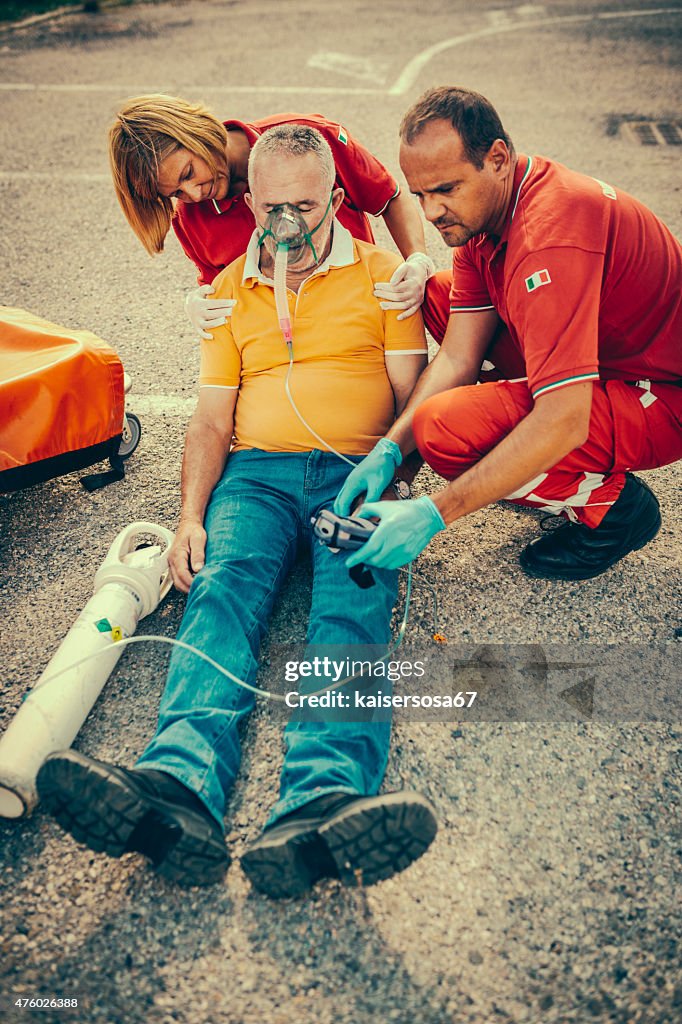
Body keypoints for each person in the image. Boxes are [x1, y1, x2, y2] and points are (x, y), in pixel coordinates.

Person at [37, 124, 437, 897]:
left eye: (306, 206)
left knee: (351, 603)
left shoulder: (385, 277)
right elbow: (210, 421)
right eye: (272, 206)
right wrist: (190, 516)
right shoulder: (227, 292)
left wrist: (389, 480)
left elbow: (410, 400)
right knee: (220, 590)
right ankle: (177, 788)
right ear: (249, 202)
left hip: (354, 470)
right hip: (255, 476)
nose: (288, 223)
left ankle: (321, 803)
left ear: (336, 201)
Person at [334, 86, 682, 581]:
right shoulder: (489, 214)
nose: (431, 212)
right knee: (437, 296)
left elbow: (565, 420)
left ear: (497, 158)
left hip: (660, 396)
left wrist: (434, 512)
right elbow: (458, 358)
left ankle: (613, 508)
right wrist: (390, 453)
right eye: (420, 195)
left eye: (446, 189)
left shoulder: (548, 240)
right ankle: (517, 443)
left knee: (444, 431)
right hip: (603, 353)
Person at [108, 93, 450, 339]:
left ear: (196, 131)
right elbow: (223, 295)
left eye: (188, 173)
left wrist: (417, 259)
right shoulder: (189, 219)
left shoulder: (312, 139)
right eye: (175, 193)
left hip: (364, 322)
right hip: (286, 345)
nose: (194, 195)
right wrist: (200, 303)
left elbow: (388, 198)